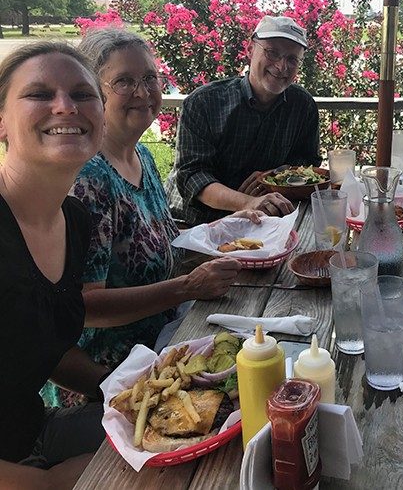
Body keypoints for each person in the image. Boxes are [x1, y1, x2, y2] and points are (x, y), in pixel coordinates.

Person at [42, 29, 261, 409]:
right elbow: (85, 308)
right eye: (124, 81)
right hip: (117, 384)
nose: (143, 92)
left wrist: (231, 226)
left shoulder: (139, 155)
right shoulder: (89, 180)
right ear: (95, 94)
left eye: (150, 78)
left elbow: (155, 237)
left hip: (167, 342)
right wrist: (186, 287)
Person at [0, 42, 106, 486]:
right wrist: (53, 482)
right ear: (1, 120)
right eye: (39, 94)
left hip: (36, 434)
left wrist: (123, 390)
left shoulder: (74, 221)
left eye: (83, 95)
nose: (65, 107)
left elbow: (38, 341)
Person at [165, 15, 320, 226]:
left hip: (266, 222)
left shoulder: (303, 105)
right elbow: (193, 177)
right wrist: (249, 201)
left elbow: (306, 163)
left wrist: (271, 177)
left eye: (292, 59)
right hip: (197, 224)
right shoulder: (204, 102)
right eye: (272, 52)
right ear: (250, 49)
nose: (282, 66)